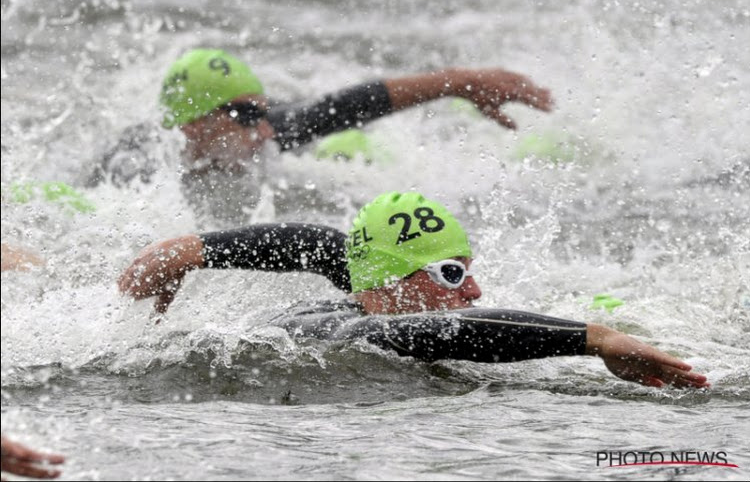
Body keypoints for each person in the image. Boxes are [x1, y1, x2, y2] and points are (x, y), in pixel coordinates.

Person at [118, 192, 709, 389]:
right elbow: (437, 330)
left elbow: (325, 245)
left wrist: (198, 249)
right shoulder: (343, 329)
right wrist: (592, 339)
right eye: (452, 272)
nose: (474, 288)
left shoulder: (365, 290)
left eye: (468, 270)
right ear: (396, 285)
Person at [88, 48, 552, 187]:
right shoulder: (136, 169)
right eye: (247, 116)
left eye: (265, 114)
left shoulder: (268, 133)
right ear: (193, 125)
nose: (265, 131)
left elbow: (352, 103)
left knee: (339, 142)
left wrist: (458, 80)